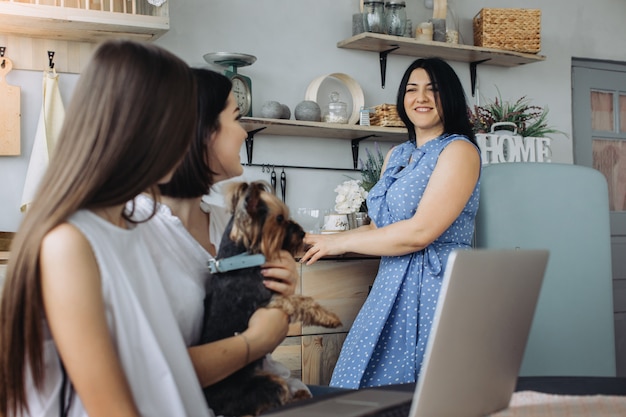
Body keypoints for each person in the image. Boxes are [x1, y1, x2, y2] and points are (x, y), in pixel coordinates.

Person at [0, 40, 213, 416]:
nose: (186, 144)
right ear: (140, 128)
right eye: (180, 127)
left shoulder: (130, 226)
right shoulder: (70, 242)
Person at [301, 57, 481, 389]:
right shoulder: (396, 155)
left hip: (436, 287)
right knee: (357, 383)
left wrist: (338, 243)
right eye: (412, 89)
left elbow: (420, 232)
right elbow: (380, 228)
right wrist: (320, 239)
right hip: (390, 283)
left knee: (426, 394)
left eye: (433, 89)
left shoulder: (459, 151)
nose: (421, 98)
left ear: (451, 97)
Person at [131, 68, 299, 392]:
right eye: (236, 118)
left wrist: (277, 293)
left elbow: (240, 329)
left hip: (267, 389)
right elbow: (148, 378)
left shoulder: (228, 221)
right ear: (202, 130)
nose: (244, 133)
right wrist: (257, 340)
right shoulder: (134, 232)